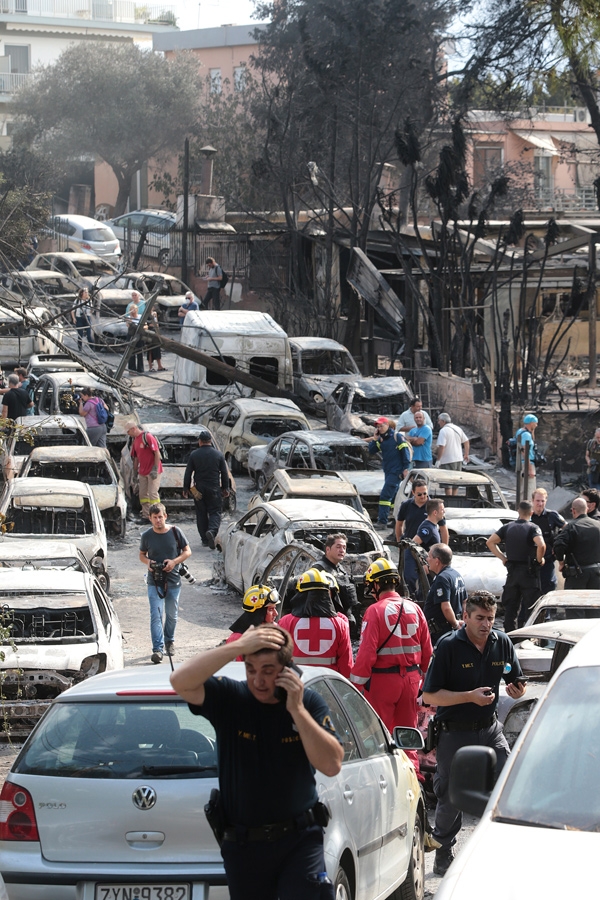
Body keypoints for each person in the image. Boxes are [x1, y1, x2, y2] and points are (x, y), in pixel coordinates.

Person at [170, 624, 343, 900]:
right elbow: (181, 681)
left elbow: (332, 764)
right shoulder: (232, 698)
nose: (258, 681)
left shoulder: (307, 703)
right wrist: (237, 647)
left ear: (287, 670)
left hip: (298, 840)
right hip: (244, 846)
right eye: (251, 669)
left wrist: (297, 711)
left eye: (268, 671)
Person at [422, 590, 526, 876]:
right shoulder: (448, 646)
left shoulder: (501, 641)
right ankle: (443, 849)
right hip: (455, 733)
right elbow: (430, 696)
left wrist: (517, 689)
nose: (486, 624)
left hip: (490, 730)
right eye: (479, 618)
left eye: (490, 618)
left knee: (510, 783)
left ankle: (504, 847)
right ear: (465, 616)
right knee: (453, 794)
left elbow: (515, 678)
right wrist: (468, 696)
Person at [350, 558, 432, 774]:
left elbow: (366, 653)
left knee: (379, 735)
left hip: (383, 683)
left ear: (376, 585)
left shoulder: (374, 611)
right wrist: (422, 681)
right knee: (408, 735)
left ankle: (382, 777)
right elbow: (428, 650)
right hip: (412, 681)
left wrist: (355, 686)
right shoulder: (415, 608)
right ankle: (413, 779)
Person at [139, 502, 191, 664]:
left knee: (172, 615)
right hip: (154, 581)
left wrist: (174, 562)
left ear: (165, 516)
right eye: (154, 518)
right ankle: (157, 649)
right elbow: (142, 554)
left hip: (173, 580)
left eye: (160, 517)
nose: (158, 521)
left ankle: (169, 640)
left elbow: (187, 551)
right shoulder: (146, 536)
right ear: (150, 518)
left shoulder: (176, 532)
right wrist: (148, 563)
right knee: (156, 615)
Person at [279, 568, 353, 678]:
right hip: (328, 683)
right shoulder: (340, 624)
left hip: (295, 682)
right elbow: (346, 665)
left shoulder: (285, 622)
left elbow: (277, 659)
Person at [486, 500, 546, 632]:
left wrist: (503, 558)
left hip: (512, 572)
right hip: (528, 573)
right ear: (531, 512)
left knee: (511, 609)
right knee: (532, 607)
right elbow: (541, 545)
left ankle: (510, 637)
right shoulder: (533, 527)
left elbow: (490, 542)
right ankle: (530, 636)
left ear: (518, 512)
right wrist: (539, 560)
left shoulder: (507, 527)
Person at [395, 480, 449, 594]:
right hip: (411, 548)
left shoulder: (433, 506)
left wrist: (444, 551)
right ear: (413, 492)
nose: (423, 496)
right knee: (409, 578)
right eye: (420, 494)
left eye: (425, 493)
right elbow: (399, 525)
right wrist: (399, 543)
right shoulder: (407, 505)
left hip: (426, 552)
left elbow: (444, 530)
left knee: (427, 582)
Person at [183, 429, 230, 549]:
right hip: (214, 489)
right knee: (215, 512)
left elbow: (188, 473)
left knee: (201, 513)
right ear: (210, 441)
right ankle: (212, 531)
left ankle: (204, 539)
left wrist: (186, 488)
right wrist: (226, 488)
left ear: (200, 441)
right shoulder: (218, 455)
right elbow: (224, 473)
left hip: (199, 490)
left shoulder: (194, 455)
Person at [365, 416, 410, 529]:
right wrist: (375, 439)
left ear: (388, 425)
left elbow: (406, 454)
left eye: (381, 426)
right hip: (388, 471)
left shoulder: (397, 437)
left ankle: (382, 521)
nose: (380, 428)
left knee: (385, 496)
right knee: (394, 497)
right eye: (378, 427)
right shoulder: (382, 439)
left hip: (396, 472)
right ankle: (395, 520)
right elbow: (371, 450)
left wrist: (405, 468)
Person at [314, 532, 360, 637]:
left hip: (343, 622)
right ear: (328, 549)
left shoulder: (340, 568)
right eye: (338, 547)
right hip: (329, 623)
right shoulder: (318, 570)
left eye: (344, 547)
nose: (342, 550)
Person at [424, 543, 467, 645]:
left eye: (429, 556)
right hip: (452, 629)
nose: (427, 559)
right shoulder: (456, 575)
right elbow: (465, 601)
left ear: (437, 561)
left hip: (442, 633)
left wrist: (455, 624)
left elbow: (446, 606)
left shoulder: (442, 578)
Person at [553, 497, 600, 589]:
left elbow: (558, 545)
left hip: (576, 575)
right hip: (597, 574)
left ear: (573, 510)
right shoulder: (598, 525)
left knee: (573, 602)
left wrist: (561, 563)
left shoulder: (571, 527)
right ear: (586, 509)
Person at [226, 584, 280, 658]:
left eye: (275, 608)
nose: (276, 613)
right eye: (270, 609)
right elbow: (237, 668)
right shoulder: (237, 639)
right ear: (259, 613)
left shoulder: (276, 629)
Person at [530, 488, 565, 595]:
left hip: (548, 559)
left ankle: (548, 611)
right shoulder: (528, 517)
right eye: (537, 501)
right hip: (531, 561)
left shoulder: (552, 515)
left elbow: (568, 529)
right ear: (532, 501)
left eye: (542, 501)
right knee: (531, 590)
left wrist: (559, 544)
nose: (540, 504)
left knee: (548, 588)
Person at [127, 423, 163, 523]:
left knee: (153, 494)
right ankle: (146, 516)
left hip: (152, 471)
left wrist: (155, 469)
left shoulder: (147, 437)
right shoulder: (135, 441)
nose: (128, 434)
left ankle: (157, 516)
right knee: (143, 495)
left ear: (133, 429)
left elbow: (157, 453)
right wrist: (134, 473)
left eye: (128, 431)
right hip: (143, 471)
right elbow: (136, 459)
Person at [436, 414, 469, 495]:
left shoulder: (443, 431)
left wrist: (438, 459)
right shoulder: (458, 428)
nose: (438, 422)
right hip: (458, 459)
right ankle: (454, 499)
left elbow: (441, 446)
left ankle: (449, 500)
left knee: (448, 484)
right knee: (455, 483)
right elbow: (466, 441)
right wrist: (466, 454)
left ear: (443, 421)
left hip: (447, 460)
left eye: (439, 420)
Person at [516, 413, 538, 502]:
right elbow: (525, 451)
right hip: (527, 463)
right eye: (535, 423)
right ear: (531, 423)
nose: (537, 425)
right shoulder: (526, 435)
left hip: (521, 462)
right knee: (529, 489)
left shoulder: (521, 431)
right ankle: (528, 509)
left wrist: (532, 431)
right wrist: (530, 469)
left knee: (522, 489)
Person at [71, 287, 96, 353]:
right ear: (82, 293)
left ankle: (92, 348)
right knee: (80, 335)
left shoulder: (89, 301)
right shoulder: (77, 301)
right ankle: (80, 348)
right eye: (85, 292)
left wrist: (91, 309)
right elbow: (72, 311)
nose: (87, 293)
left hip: (87, 318)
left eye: (87, 292)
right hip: (79, 318)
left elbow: (91, 311)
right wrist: (74, 318)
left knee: (89, 335)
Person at [125, 292, 144, 373]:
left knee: (140, 352)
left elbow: (145, 325)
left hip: (139, 335)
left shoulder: (140, 317)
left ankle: (140, 369)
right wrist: (131, 320)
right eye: (132, 309)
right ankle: (132, 369)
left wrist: (143, 328)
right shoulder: (129, 318)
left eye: (135, 309)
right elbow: (128, 325)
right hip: (131, 335)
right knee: (131, 353)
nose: (133, 311)